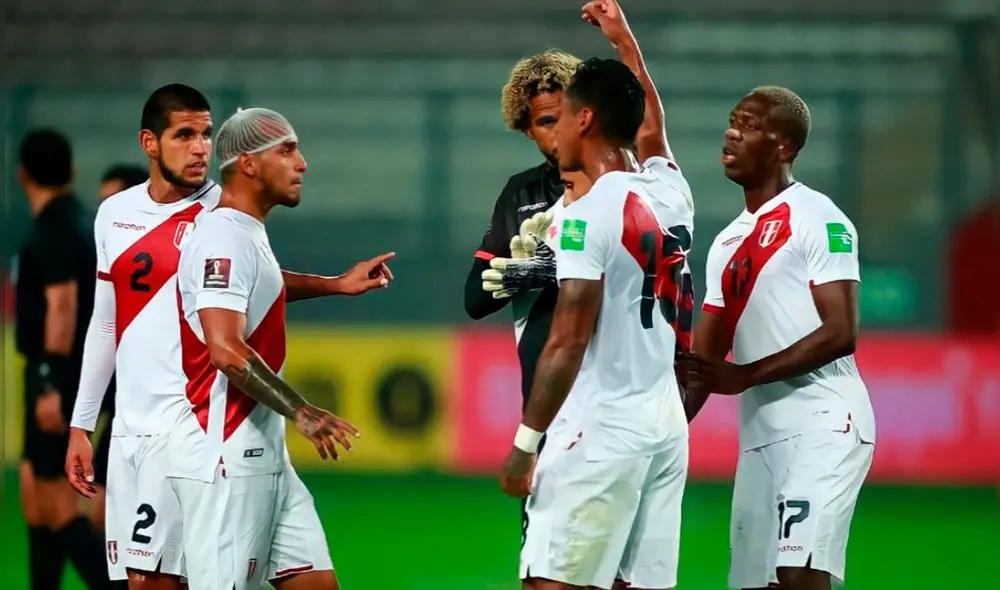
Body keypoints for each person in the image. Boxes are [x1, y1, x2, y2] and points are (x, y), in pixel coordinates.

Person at [65, 85, 394, 589]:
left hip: (210, 425)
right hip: (164, 433)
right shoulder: (119, 215)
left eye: (205, 134)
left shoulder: (228, 211)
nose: (200, 146)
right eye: (185, 135)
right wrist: (82, 423)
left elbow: (250, 286)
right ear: (150, 142)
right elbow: (107, 323)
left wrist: (334, 285)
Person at [496, 3, 694, 589]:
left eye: (561, 118)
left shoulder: (584, 218)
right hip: (664, 425)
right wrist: (626, 42)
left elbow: (568, 340)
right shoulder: (671, 191)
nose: (552, 132)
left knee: (551, 582)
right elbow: (652, 127)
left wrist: (525, 445)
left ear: (583, 120)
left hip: (599, 427)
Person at [171, 107, 390, 590]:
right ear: (248, 164)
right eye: (287, 150)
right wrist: (302, 411)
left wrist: (335, 285)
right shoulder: (222, 238)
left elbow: (262, 285)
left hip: (266, 455)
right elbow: (226, 350)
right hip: (227, 456)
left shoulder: (244, 233)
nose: (303, 163)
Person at [678, 86, 876, 590]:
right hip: (760, 440)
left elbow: (840, 332)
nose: (731, 132)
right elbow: (704, 365)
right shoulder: (725, 243)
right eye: (731, 120)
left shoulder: (819, 217)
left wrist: (745, 376)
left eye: (747, 124)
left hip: (825, 424)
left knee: (797, 576)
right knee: (754, 584)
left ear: (784, 146)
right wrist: (656, 438)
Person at [462, 47, 591, 544]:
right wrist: (521, 274)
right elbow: (475, 299)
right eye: (540, 123)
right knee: (544, 563)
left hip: (618, 403)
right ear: (526, 129)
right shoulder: (521, 193)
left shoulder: (626, 184)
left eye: (560, 118)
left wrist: (558, 268)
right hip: (547, 408)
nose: (553, 134)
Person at [15, 128, 113, 589]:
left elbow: (63, 306)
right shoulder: (83, 222)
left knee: (58, 506)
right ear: (72, 172)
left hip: (57, 371)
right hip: (71, 369)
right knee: (35, 500)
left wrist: (50, 382)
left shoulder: (50, 229)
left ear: (21, 176)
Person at [86, 165, 149, 533]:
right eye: (100, 204)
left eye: (112, 202)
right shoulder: (106, 266)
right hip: (125, 414)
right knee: (104, 519)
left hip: (163, 419)